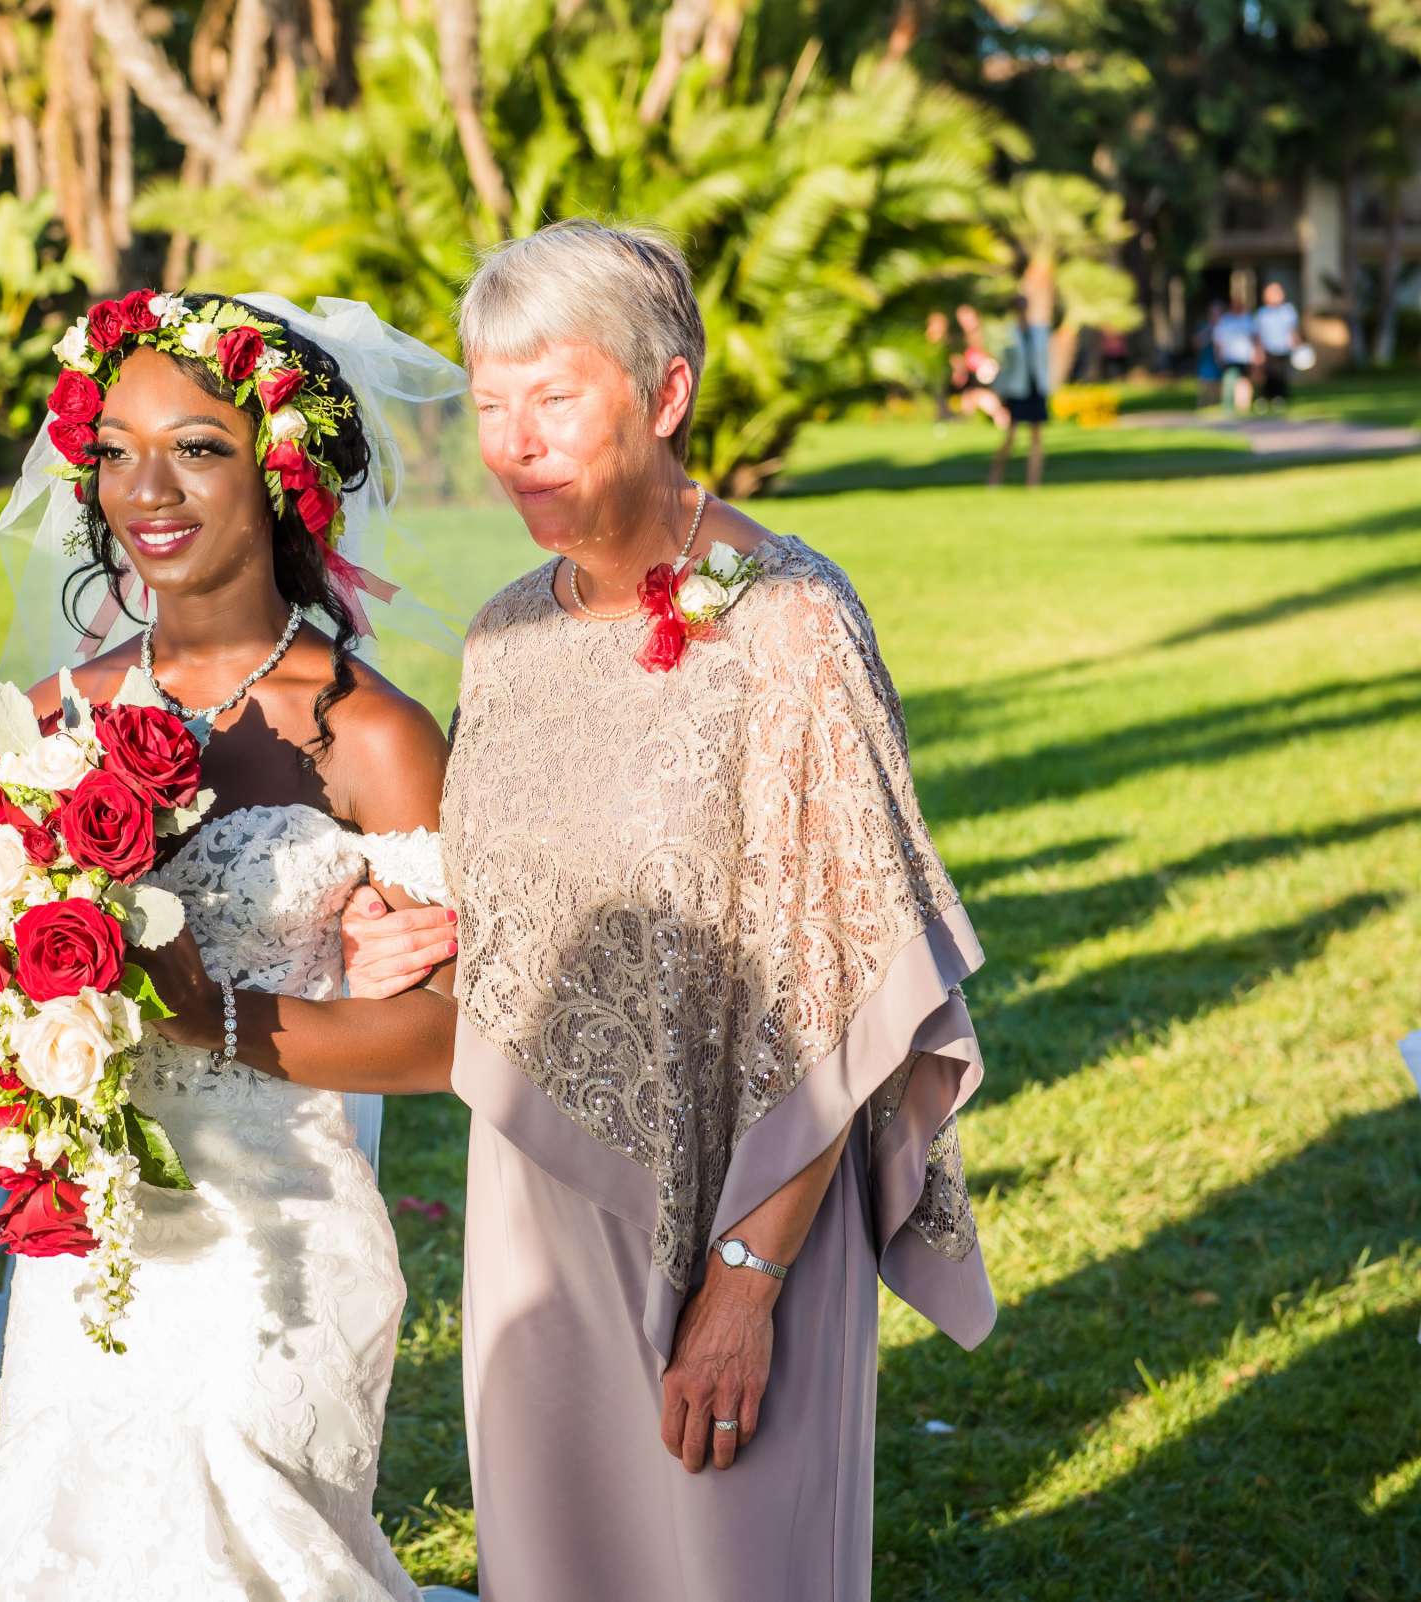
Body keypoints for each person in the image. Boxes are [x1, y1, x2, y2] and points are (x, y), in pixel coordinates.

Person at [0, 291, 472, 1600]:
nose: (149, 486)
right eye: (117, 446)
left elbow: (451, 1036)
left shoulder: (374, 734)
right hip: (90, 1242)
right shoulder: (44, 720)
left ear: (282, 467)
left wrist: (208, 1015)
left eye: (197, 444)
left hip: (279, 1244)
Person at [353, 220, 996, 1601]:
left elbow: (856, 976)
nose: (515, 440)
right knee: (555, 1558)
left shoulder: (791, 625)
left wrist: (747, 1279)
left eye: (556, 395)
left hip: (748, 1190)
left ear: (667, 394)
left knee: (731, 1564)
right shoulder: (504, 637)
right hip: (535, 1198)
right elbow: (512, 904)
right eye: (490, 404)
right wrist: (408, 935)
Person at [989, 298, 1053, 489]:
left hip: (1036, 388)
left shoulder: (1039, 332)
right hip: (1017, 390)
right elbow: (1004, 366)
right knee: (1010, 437)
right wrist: (1000, 393)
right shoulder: (1009, 334)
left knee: (1036, 438)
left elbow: (1044, 361)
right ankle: (995, 478)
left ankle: (1033, 482)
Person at [1253, 282, 1301, 412]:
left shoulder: (1288, 310)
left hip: (1283, 348)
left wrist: (1297, 346)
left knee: (1281, 374)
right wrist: (1258, 351)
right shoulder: (1262, 313)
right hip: (1268, 348)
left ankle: (1279, 399)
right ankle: (1263, 399)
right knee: (1268, 375)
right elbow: (1258, 334)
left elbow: (1292, 330)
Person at [1214, 296, 1258, 414]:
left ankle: (1243, 407)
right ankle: (1228, 406)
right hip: (1230, 356)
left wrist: (1257, 353)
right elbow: (1218, 339)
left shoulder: (1248, 319)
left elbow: (1255, 338)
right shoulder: (1225, 321)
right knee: (1229, 380)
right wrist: (1219, 354)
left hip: (1245, 356)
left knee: (1244, 381)